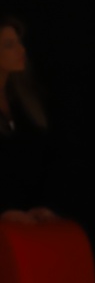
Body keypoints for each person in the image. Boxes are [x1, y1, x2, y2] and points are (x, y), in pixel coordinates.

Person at [0, 14, 61, 224]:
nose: (22, 50)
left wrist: (42, 206)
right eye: (9, 45)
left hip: (27, 226)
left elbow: (43, 162)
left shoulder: (25, 103)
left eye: (19, 42)